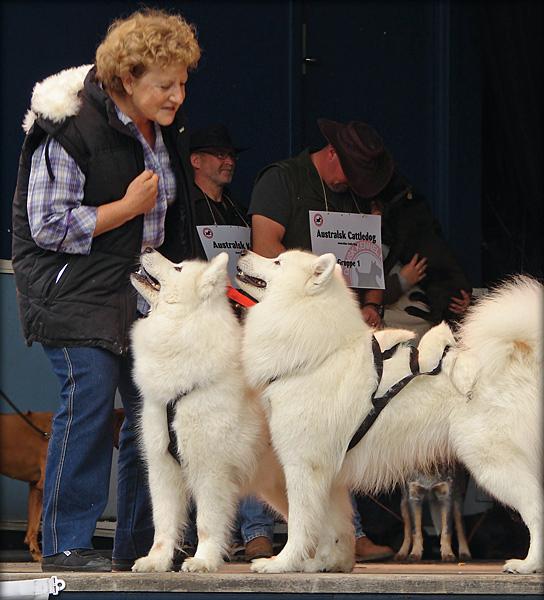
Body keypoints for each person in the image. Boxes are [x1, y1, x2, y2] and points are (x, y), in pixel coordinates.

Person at [11, 9, 201, 572]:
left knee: (155, 413)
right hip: (72, 292)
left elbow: (172, 218)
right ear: (126, 79)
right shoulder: (70, 126)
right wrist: (125, 209)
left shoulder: (162, 128)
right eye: (165, 84)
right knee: (90, 402)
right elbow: (46, 225)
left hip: (141, 291)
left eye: (183, 83)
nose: (177, 96)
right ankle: (66, 546)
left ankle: (143, 547)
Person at [248, 118, 397, 561]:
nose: (352, 182)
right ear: (331, 153)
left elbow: (369, 257)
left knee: (336, 438)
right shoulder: (283, 181)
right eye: (350, 171)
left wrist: (371, 303)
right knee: (273, 438)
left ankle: (342, 534)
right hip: (288, 335)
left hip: (336, 337)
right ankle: (265, 530)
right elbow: (263, 248)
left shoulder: (354, 197)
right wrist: (317, 278)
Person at [186, 124, 277, 561]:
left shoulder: (241, 214)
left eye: (231, 154)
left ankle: (257, 528)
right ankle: (205, 535)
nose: (228, 161)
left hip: (242, 333)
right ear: (195, 161)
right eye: (217, 154)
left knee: (250, 432)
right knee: (208, 438)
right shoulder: (183, 212)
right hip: (200, 338)